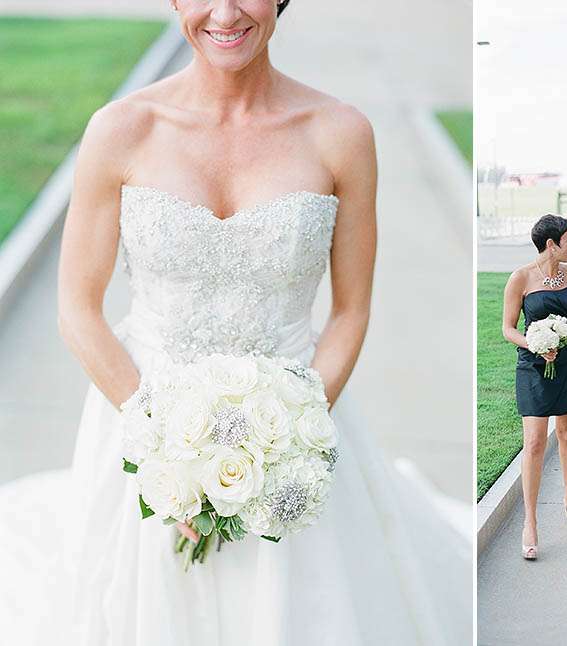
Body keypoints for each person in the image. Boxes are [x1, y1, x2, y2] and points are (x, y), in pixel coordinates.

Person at [0, 1, 468, 643]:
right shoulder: (121, 130)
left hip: (293, 428)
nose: (224, 13)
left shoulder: (341, 133)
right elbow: (78, 309)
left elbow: (350, 310)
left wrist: (288, 443)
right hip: (140, 422)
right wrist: (165, 448)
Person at [502, 214, 567, 560]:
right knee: (535, 441)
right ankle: (531, 522)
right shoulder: (521, 278)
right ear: (551, 244)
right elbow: (508, 328)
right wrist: (534, 344)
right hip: (533, 365)